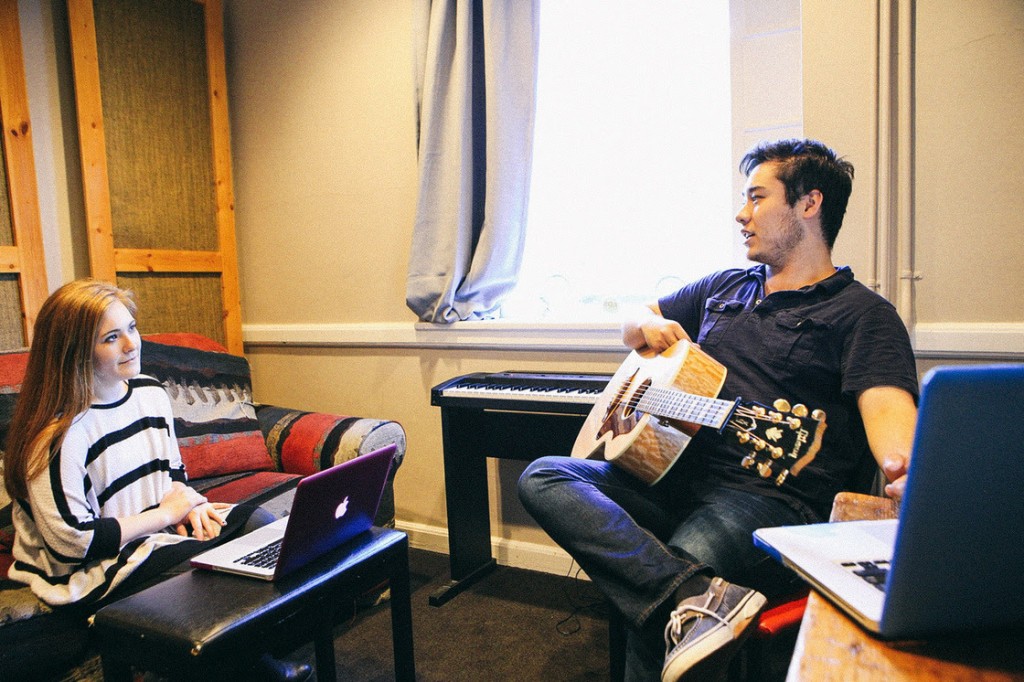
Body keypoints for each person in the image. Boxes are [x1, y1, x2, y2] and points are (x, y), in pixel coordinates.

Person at [518, 139, 920, 681]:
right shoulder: (724, 286)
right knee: (545, 476)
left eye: (757, 198)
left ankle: (685, 602)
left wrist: (908, 470)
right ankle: (695, 600)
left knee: (671, 582)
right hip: (673, 476)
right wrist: (647, 327)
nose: (741, 213)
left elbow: (893, 423)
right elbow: (634, 319)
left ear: (809, 204)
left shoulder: (863, 316)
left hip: (767, 500)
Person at [2, 280, 311, 682]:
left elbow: (172, 474)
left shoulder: (149, 393)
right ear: (74, 352)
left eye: (131, 328)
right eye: (111, 338)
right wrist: (166, 513)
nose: (132, 344)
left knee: (262, 527)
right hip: (91, 572)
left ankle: (258, 652)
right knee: (210, 576)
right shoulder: (59, 435)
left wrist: (191, 503)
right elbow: (73, 542)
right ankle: (262, 671)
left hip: (152, 533)